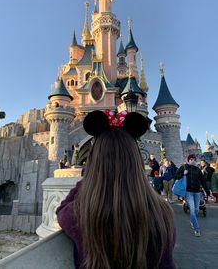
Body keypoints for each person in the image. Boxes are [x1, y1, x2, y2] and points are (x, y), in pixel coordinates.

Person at [56, 111, 176, 269]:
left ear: (94, 163)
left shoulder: (78, 214)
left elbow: (61, 210)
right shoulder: (163, 214)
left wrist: (90, 178)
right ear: (137, 162)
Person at [175, 154, 211, 237]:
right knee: (192, 210)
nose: (193, 161)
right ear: (188, 160)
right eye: (191, 159)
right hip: (188, 192)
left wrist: (208, 193)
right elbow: (176, 176)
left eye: (194, 159)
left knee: (196, 210)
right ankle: (197, 229)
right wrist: (183, 174)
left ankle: (192, 220)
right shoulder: (183, 168)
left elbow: (203, 182)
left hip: (197, 192)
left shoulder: (198, 170)